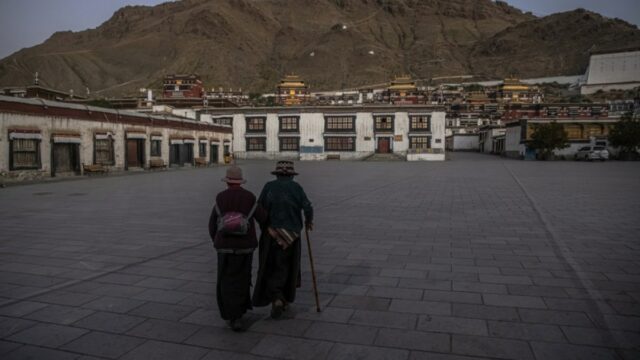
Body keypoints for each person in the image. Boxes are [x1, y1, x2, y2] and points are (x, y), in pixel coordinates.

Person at [252, 161, 313, 319]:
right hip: (291, 236)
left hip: (271, 234)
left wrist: (264, 225)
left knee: (271, 265)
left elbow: (259, 208)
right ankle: (281, 297)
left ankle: (277, 297)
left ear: (277, 174)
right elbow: (307, 207)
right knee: (288, 266)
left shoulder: (269, 186)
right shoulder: (296, 188)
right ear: (291, 175)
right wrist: (308, 222)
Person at [208, 165, 266, 331]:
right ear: (240, 181)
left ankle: (230, 314)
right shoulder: (249, 197)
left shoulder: (220, 197)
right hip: (244, 248)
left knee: (225, 280)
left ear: (227, 182)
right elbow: (262, 217)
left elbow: (212, 224)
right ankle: (239, 315)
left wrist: (217, 240)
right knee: (242, 279)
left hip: (224, 248)